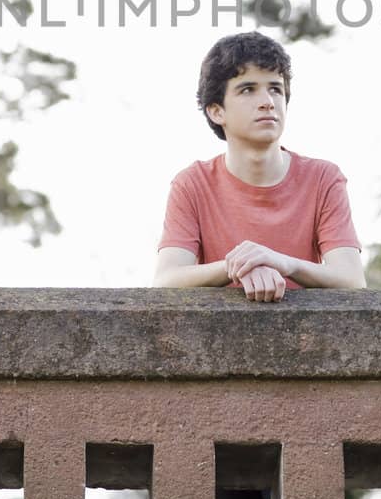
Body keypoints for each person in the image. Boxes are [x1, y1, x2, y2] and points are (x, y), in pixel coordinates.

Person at [153, 31, 365, 301]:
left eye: (275, 88)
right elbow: (165, 279)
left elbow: (352, 279)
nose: (267, 102)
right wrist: (241, 267)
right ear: (217, 111)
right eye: (248, 89)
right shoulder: (192, 183)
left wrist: (284, 263)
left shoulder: (324, 178)